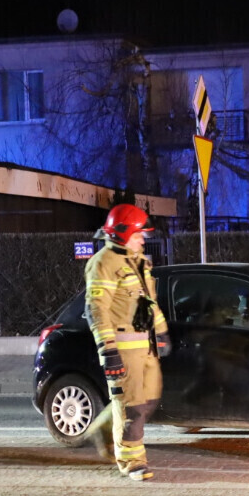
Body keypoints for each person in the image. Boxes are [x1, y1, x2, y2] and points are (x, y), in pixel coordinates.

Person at [82, 203, 170, 480]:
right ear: (123, 233)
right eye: (138, 234)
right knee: (132, 406)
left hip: (145, 346)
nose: (143, 239)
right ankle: (132, 462)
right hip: (122, 347)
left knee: (149, 400)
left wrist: (161, 331)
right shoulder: (103, 263)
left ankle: (104, 429)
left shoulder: (138, 260)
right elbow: (97, 310)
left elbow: (148, 302)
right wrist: (108, 350)